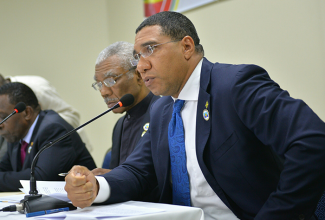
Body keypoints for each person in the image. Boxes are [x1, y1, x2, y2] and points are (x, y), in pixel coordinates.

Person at [65, 11, 325, 220]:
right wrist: (96, 186)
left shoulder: (235, 85)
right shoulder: (162, 109)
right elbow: (139, 170)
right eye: (137, 57)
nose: (142, 65)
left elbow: (313, 141)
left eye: (150, 50)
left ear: (186, 46)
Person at [0, 82, 96, 191]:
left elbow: (41, 178)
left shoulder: (53, 129)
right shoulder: (16, 133)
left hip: (85, 202)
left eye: (3, 117)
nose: (0, 124)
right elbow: (4, 169)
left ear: (27, 113)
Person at [91, 41, 159, 172]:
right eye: (99, 84)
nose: (103, 92)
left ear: (138, 75)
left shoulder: (163, 113)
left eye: (110, 80)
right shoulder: (120, 125)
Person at [0, 74, 92, 161]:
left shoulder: (37, 88)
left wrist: (41, 129)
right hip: (24, 142)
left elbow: (71, 116)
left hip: (61, 147)